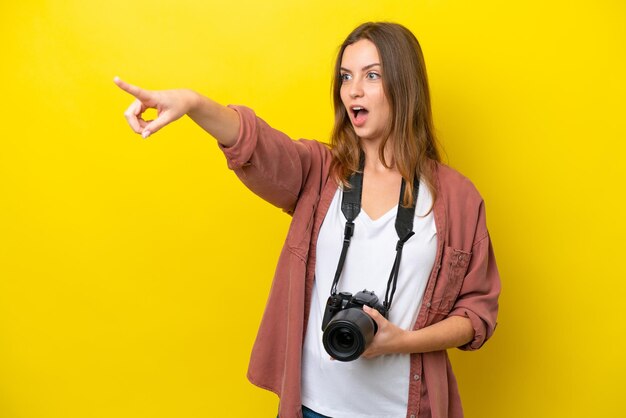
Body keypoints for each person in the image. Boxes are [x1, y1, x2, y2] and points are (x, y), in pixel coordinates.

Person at [114, 22, 500, 418]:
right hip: (313, 406)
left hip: (405, 408)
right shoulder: (319, 172)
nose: (353, 90)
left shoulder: (457, 198)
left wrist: (399, 341)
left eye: (371, 75)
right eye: (345, 77)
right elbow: (256, 145)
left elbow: (476, 314)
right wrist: (193, 103)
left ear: (404, 85)